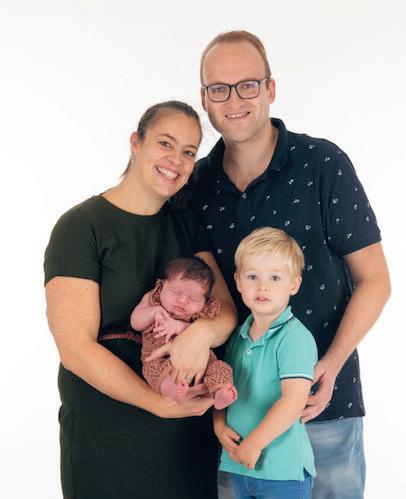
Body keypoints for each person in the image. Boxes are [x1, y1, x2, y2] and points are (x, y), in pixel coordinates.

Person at [192, 31, 391, 499]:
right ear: (204, 99)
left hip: (322, 409)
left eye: (247, 85)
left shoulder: (323, 164)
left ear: (271, 89)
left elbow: (376, 280)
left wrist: (331, 364)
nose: (234, 100)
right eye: (219, 88)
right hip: (235, 419)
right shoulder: (196, 184)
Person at [44, 100, 237, 499]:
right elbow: (75, 349)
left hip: (184, 433)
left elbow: (225, 311)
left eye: (189, 152)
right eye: (165, 143)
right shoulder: (81, 227)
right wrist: (157, 403)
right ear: (136, 143)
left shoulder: (186, 223)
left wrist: (198, 335)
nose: (176, 160)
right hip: (107, 432)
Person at [214, 227, 317, 499]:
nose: (262, 286)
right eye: (252, 276)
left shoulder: (294, 337)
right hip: (236, 464)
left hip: (282, 471)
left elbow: (294, 401)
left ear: (294, 284)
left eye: (275, 277)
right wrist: (219, 426)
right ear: (238, 282)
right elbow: (219, 387)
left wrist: (255, 443)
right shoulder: (237, 337)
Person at [108, 255, 237, 409]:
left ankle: (220, 392)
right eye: (176, 292)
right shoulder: (153, 300)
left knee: (219, 367)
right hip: (158, 358)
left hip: (199, 361)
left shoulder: (202, 312)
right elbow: (135, 323)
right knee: (151, 370)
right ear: (162, 285)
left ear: (205, 301)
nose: (183, 301)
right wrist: (152, 312)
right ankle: (173, 391)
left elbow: (203, 334)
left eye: (194, 299)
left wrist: (179, 326)